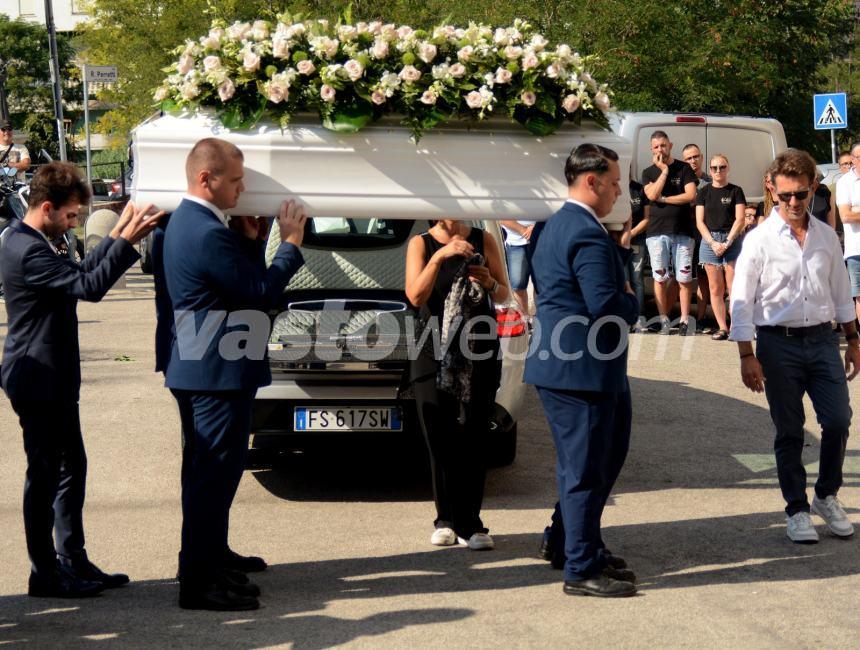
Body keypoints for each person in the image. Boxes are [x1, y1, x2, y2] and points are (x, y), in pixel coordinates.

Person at [0, 162, 162, 597]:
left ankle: (72, 558)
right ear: (47, 207)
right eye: (72, 216)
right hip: (36, 377)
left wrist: (119, 230)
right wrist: (127, 238)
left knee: (72, 466)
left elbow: (83, 271)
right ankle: (45, 573)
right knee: (46, 473)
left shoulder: (35, 238)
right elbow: (88, 287)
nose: (74, 223)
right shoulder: (26, 248)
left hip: (52, 375)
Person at [161, 138, 306, 611]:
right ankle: (199, 582)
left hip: (210, 368)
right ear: (207, 178)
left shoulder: (199, 224)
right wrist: (289, 244)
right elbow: (258, 292)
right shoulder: (203, 231)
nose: (243, 189)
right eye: (237, 180)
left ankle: (209, 558)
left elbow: (234, 285)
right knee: (211, 477)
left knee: (214, 476)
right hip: (214, 373)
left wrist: (250, 239)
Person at [525, 143, 639, 598]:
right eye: (612, 183)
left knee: (594, 462)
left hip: (573, 367)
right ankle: (580, 568)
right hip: (582, 370)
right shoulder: (587, 234)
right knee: (585, 470)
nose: (616, 191)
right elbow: (606, 306)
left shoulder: (552, 225)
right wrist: (632, 298)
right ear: (590, 181)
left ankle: (571, 541)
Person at [731, 148, 859, 544]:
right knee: (789, 430)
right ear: (771, 190)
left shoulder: (825, 237)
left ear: (813, 188)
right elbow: (741, 300)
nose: (792, 203)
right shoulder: (758, 240)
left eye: (800, 195)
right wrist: (746, 355)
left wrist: (854, 339)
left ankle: (825, 495)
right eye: (784, 195)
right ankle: (797, 509)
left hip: (823, 341)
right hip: (776, 344)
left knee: (838, 421)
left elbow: (840, 292)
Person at [404, 218, 509, 551]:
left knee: (476, 435)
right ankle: (445, 520)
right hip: (431, 346)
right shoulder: (421, 243)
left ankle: (473, 523)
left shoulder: (484, 238)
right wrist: (440, 257)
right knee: (439, 434)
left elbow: (504, 292)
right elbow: (415, 296)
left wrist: (490, 281)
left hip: (478, 344)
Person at [642, 131, 698, 335]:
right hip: (657, 232)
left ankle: (684, 320)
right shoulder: (648, 172)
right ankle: (664, 319)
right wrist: (664, 171)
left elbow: (691, 195)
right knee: (660, 277)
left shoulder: (684, 169)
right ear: (651, 149)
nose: (660, 150)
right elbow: (652, 194)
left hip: (683, 231)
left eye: (663, 145)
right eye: (656, 147)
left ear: (670, 145)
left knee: (684, 278)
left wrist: (665, 200)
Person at [694, 154, 746, 340]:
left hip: (731, 241)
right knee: (715, 289)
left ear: (728, 168)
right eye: (714, 168)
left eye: (722, 167)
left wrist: (727, 242)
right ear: (709, 170)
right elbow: (700, 221)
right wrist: (713, 243)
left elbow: (740, 219)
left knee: (733, 288)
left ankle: (736, 327)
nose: (718, 171)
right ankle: (722, 327)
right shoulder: (703, 192)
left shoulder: (736, 191)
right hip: (710, 242)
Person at [682, 144, 712, 332]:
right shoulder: (681, 180)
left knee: (703, 279)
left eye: (695, 157)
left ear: (701, 157)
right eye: (688, 158)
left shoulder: (711, 181)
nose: (692, 161)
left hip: (703, 235)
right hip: (683, 233)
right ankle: (669, 318)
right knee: (679, 277)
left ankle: (700, 320)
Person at [836, 141, 860, 324]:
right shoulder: (845, 182)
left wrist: (857, 210)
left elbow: (853, 213)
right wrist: (852, 211)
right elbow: (845, 216)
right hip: (856, 249)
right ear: (852, 159)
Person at [499, 219, 535, 317]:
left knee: (541, 285)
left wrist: (537, 227)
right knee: (518, 286)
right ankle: (526, 321)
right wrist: (523, 230)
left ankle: (541, 318)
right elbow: (500, 217)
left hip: (540, 239)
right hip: (514, 244)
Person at [627, 178, 650, 331]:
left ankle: (639, 318)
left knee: (636, 280)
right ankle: (624, 318)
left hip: (637, 240)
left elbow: (647, 218)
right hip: (616, 242)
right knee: (622, 280)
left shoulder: (639, 189)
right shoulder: (608, 185)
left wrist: (632, 233)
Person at [0, 119, 30, 183]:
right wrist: (16, 165)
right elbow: (22, 165)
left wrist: (5, 165)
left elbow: (26, 165)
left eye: (9, 129)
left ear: (12, 131)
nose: (7, 132)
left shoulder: (21, 148)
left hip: (17, 188)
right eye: (3, 129)